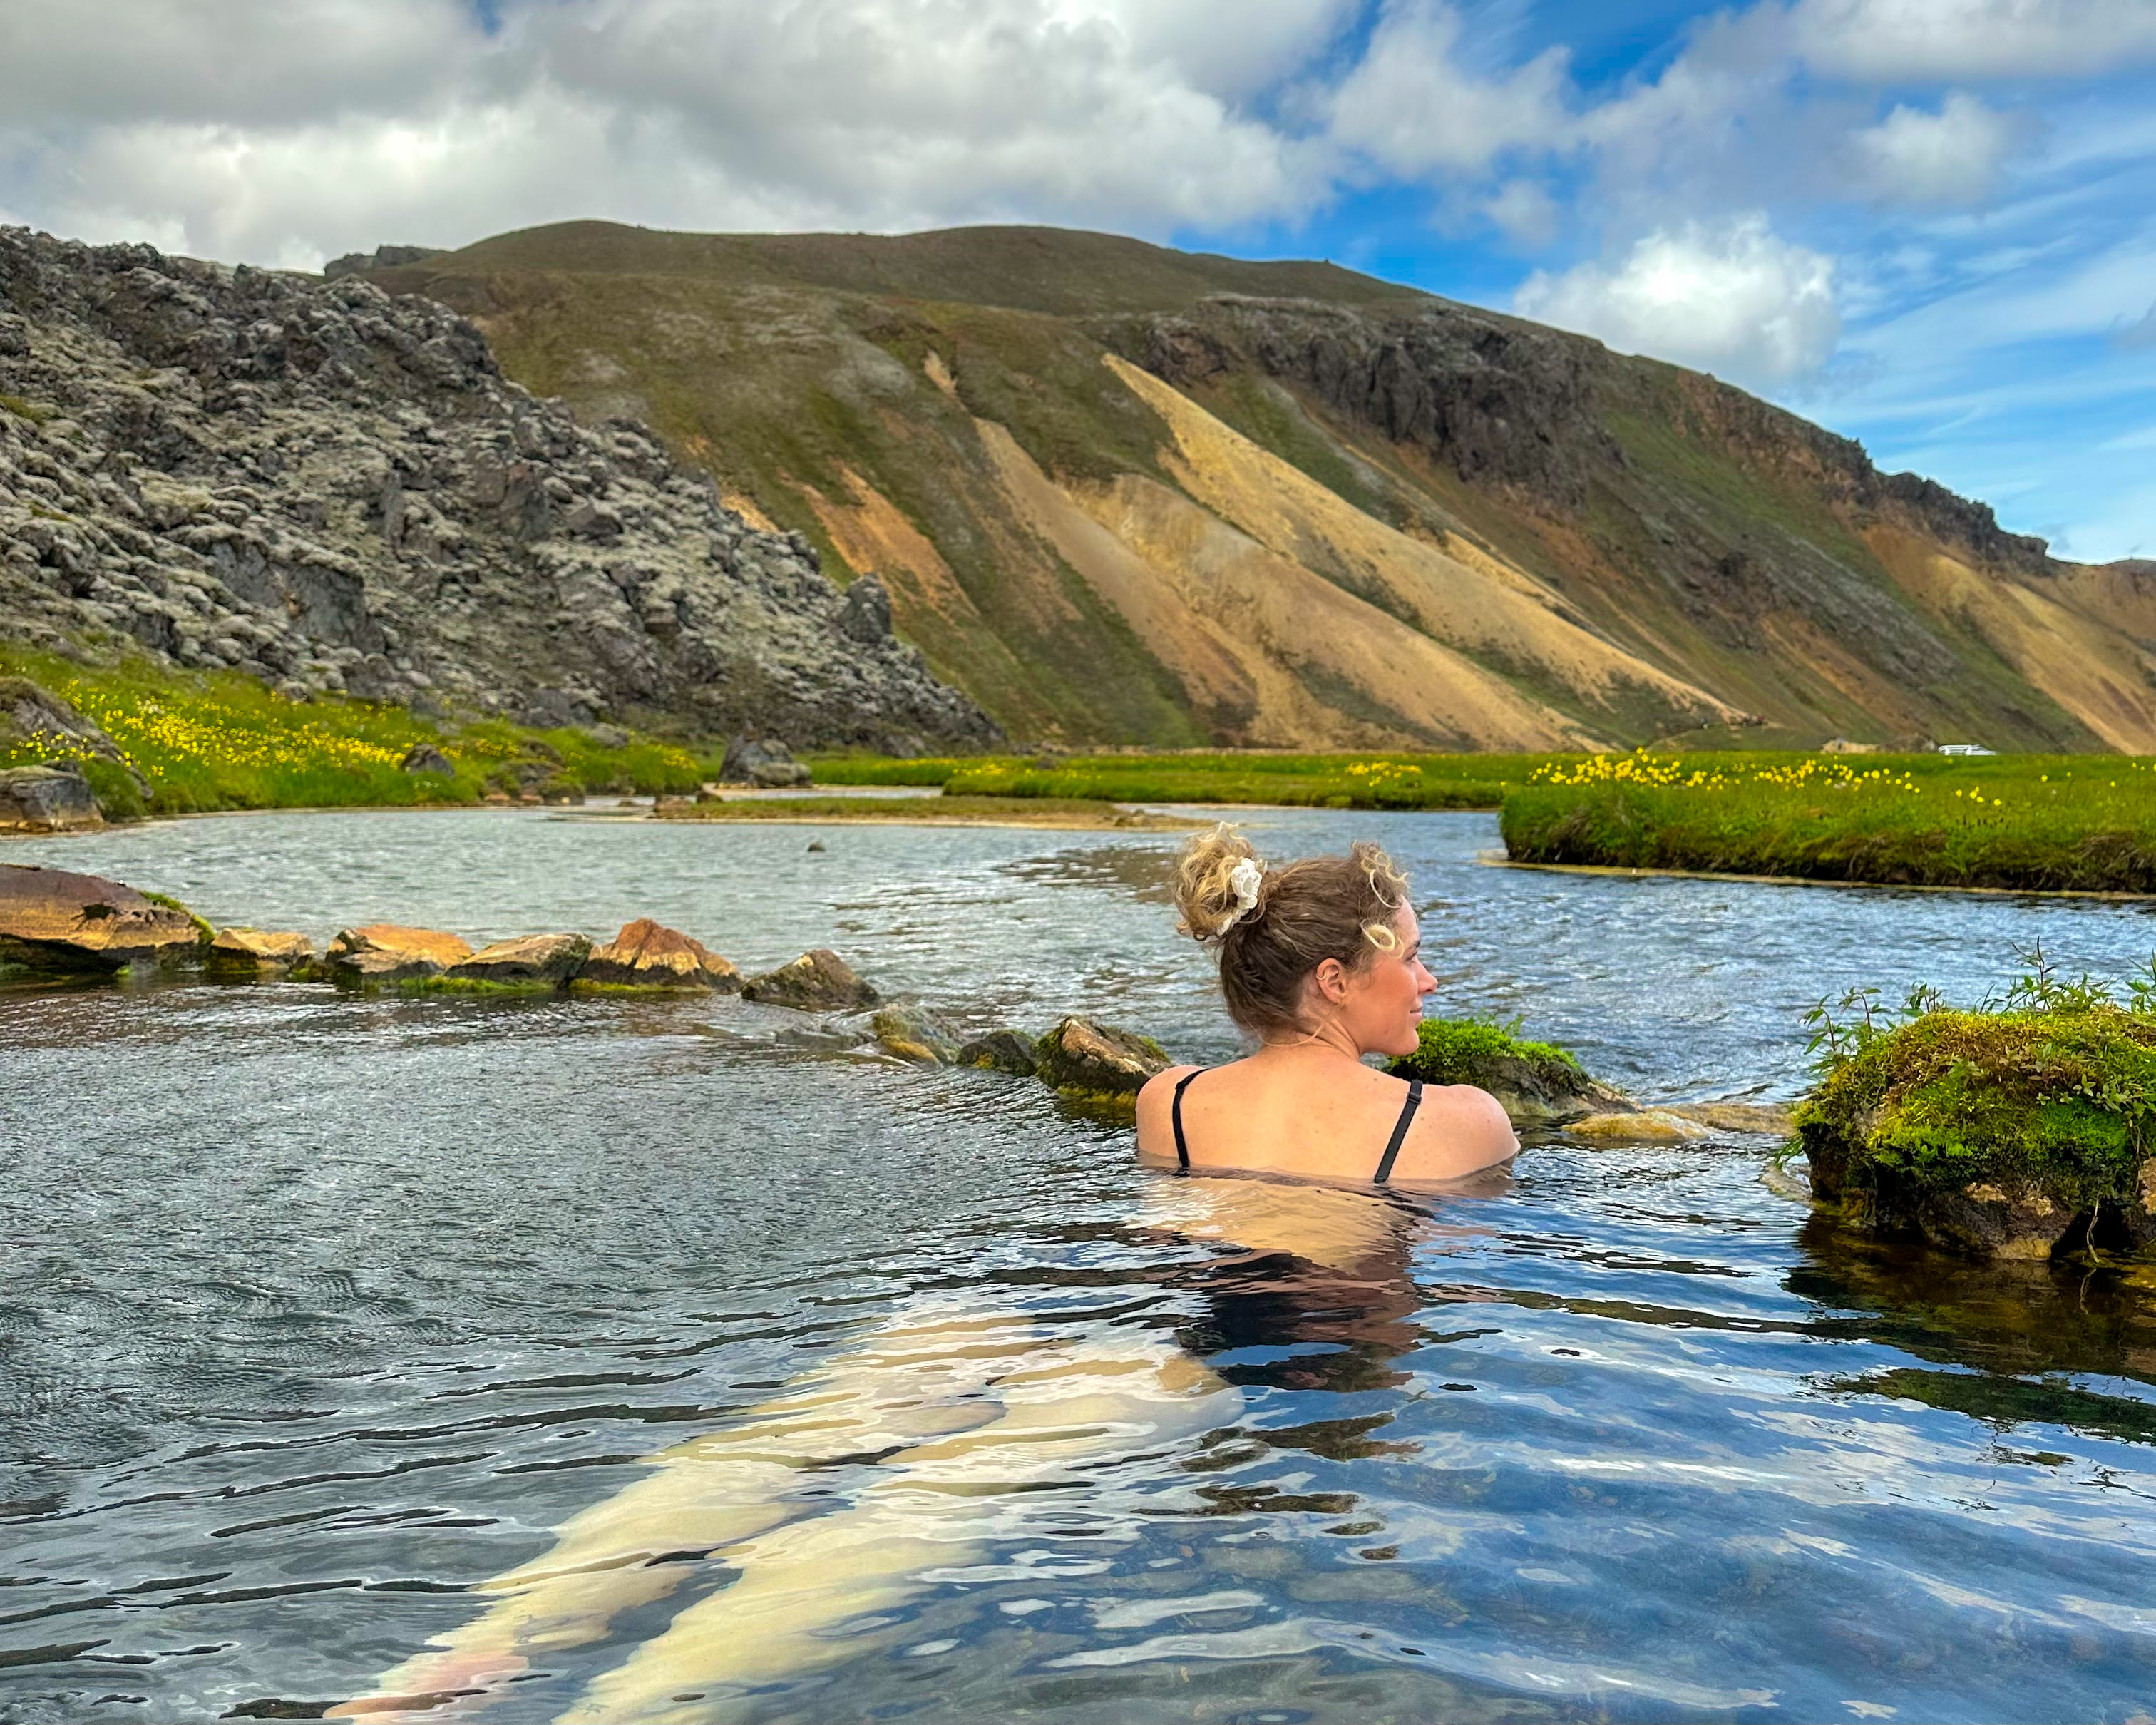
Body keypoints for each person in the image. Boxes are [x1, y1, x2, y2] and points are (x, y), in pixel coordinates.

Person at [1136, 824, 1518, 1185]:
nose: (1429, 982)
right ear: (1334, 981)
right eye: (1410, 958)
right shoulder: (1467, 1122)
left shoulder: (1169, 1101)